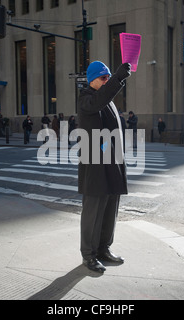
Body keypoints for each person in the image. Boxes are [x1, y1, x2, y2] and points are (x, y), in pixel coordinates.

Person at [78, 61, 131, 273]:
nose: (107, 81)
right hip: (94, 164)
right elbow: (99, 100)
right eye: (103, 78)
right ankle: (88, 255)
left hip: (111, 161)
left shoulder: (106, 100)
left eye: (109, 77)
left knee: (110, 208)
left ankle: (103, 249)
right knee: (94, 210)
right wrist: (118, 79)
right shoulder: (86, 98)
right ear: (92, 79)